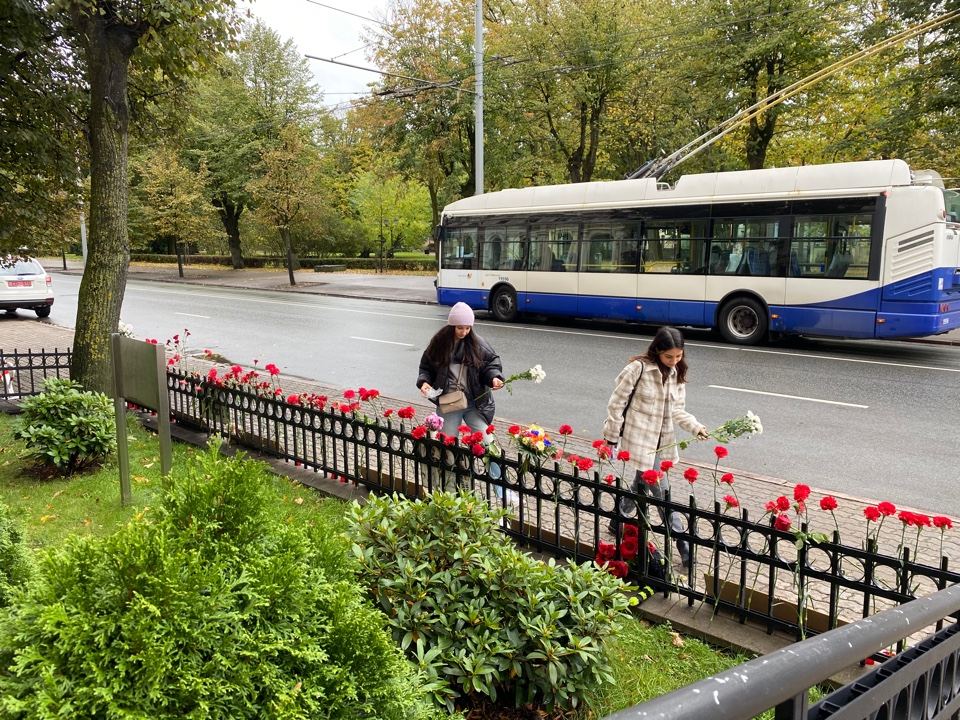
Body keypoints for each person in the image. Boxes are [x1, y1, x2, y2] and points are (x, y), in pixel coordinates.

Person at [602, 326, 709, 567]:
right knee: (663, 495)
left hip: (662, 444)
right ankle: (684, 547)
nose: (674, 361)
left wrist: (695, 427)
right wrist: (611, 438)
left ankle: (616, 520)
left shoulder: (676, 373)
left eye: (679, 356)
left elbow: (677, 409)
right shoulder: (637, 369)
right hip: (639, 442)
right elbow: (616, 404)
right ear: (657, 351)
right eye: (669, 356)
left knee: (641, 483)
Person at [417, 302, 505, 489]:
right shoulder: (439, 344)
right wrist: (424, 382)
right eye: (459, 327)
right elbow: (426, 367)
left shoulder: (478, 343)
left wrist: (494, 378)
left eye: (467, 328)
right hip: (449, 404)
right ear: (451, 326)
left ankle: (501, 489)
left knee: (489, 446)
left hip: (474, 403)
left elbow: (491, 364)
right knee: (446, 448)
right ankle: (448, 490)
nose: (464, 332)